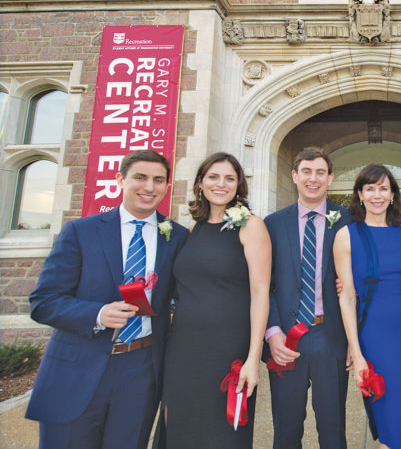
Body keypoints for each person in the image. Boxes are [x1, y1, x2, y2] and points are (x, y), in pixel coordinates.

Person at [25, 150, 189, 448]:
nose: (149, 187)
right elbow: (43, 302)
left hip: (142, 368)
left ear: (167, 186)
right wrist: (97, 314)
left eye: (158, 180)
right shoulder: (81, 231)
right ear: (120, 180)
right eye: (140, 178)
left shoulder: (177, 237)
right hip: (78, 366)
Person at [160, 152, 271, 448]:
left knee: (223, 433)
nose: (221, 184)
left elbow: (261, 292)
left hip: (227, 349)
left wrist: (252, 358)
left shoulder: (251, 226)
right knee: (180, 427)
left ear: (239, 186)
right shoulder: (191, 230)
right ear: (200, 183)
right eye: (213, 177)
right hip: (183, 347)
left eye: (229, 179)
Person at [263, 146, 350, 448]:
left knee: (333, 427)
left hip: (331, 336)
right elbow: (265, 285)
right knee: (286, 428)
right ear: (295, 176)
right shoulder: (273, 224)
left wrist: (356, 342)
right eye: (307, 172)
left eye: (320, 173)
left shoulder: (348, 221)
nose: (313, 179)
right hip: (286, 339)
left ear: (330, 178)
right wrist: (272, 333)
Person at [334, 164, 401, 449]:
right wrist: (357, 352)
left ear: (392, 195)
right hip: (373, 334)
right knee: (388, 410)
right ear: (359, 194)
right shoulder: (347, 235)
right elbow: (346, 297)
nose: (377, 195)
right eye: (370, 188)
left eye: (383, 188)